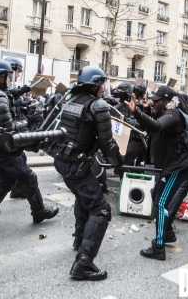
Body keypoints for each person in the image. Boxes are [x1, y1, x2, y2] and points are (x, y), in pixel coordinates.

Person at [44, 66, 123, 281]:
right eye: (102, 84)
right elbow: (107, 143)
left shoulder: (72, 100)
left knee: (83, 197)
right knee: (101, 210)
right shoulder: (98, 105)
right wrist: (119, 163)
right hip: (75, 164)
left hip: (63, 160)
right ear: (97, 85)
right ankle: (83, 262)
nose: (103, 88)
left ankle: (80, 239)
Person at [0, 59, 58, 228]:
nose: (10, 78)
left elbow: (8, 95)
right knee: (28, 177)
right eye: (8, 75)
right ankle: (39, 212)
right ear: (1, 76)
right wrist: (28, 120)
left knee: (7, 178)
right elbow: (7, 127)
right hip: (3, 147)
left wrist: (23, 90)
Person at [126, 86, 188, 260]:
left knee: (160, 202)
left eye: (156, 100)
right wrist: (145, 109)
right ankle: (168, 232)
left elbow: (157, 126)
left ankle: (158, 246)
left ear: (166, 101)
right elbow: (152, 127)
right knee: (156, 194)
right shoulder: (167, 111)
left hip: (178, 166)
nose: (153, 102)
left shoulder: (174, 114)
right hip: (173, 164)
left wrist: (137, 113)